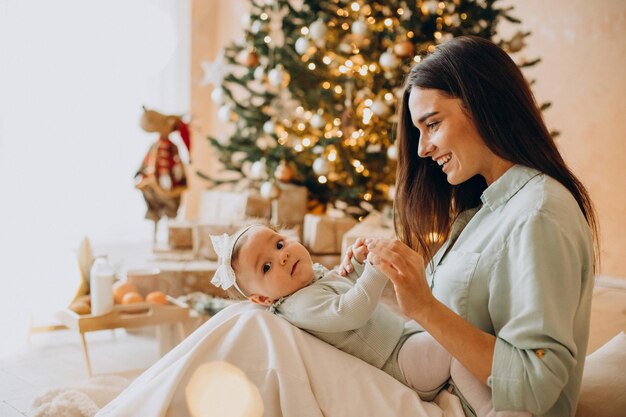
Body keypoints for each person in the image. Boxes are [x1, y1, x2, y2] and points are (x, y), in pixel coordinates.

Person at [339, 35, 598, 417]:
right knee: (271, 332)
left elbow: (534, 386)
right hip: (432, 398)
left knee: (265, 337)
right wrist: (375, 277)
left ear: (483, 103)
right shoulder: (484, 210)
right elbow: (442, 333)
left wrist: (425, 307)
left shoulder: (538, 214)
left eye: (433, 124)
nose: (422, 149)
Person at [209, 224, 510, 412]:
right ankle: (491, 411)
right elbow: (350, 311)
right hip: (398, 363)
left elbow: (345, 286)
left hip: (402, 338)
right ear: (262, 299)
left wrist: (355, 263)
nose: (283, 256)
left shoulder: (309, 282)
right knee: (450, 346)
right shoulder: (298, 306)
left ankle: (482, 385)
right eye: (266, 267)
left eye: (279, 244)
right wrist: (375, 271)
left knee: (449, 318)